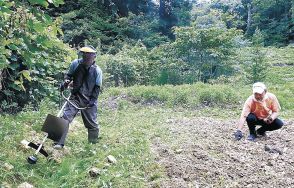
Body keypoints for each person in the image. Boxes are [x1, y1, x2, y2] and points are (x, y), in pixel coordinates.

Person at [54, 45, 102, 149]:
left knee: (92, 123)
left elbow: (97, 88)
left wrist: (92, 100)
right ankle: (58, 143)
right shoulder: (75, 63)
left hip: (89, 99)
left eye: (89, 55)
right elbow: (69, 76)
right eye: (84, 55)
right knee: (65, 118)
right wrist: (66, 82)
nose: (86, 57)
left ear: (94, 57)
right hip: (75, 97)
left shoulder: (97, 70)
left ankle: (92, 146)